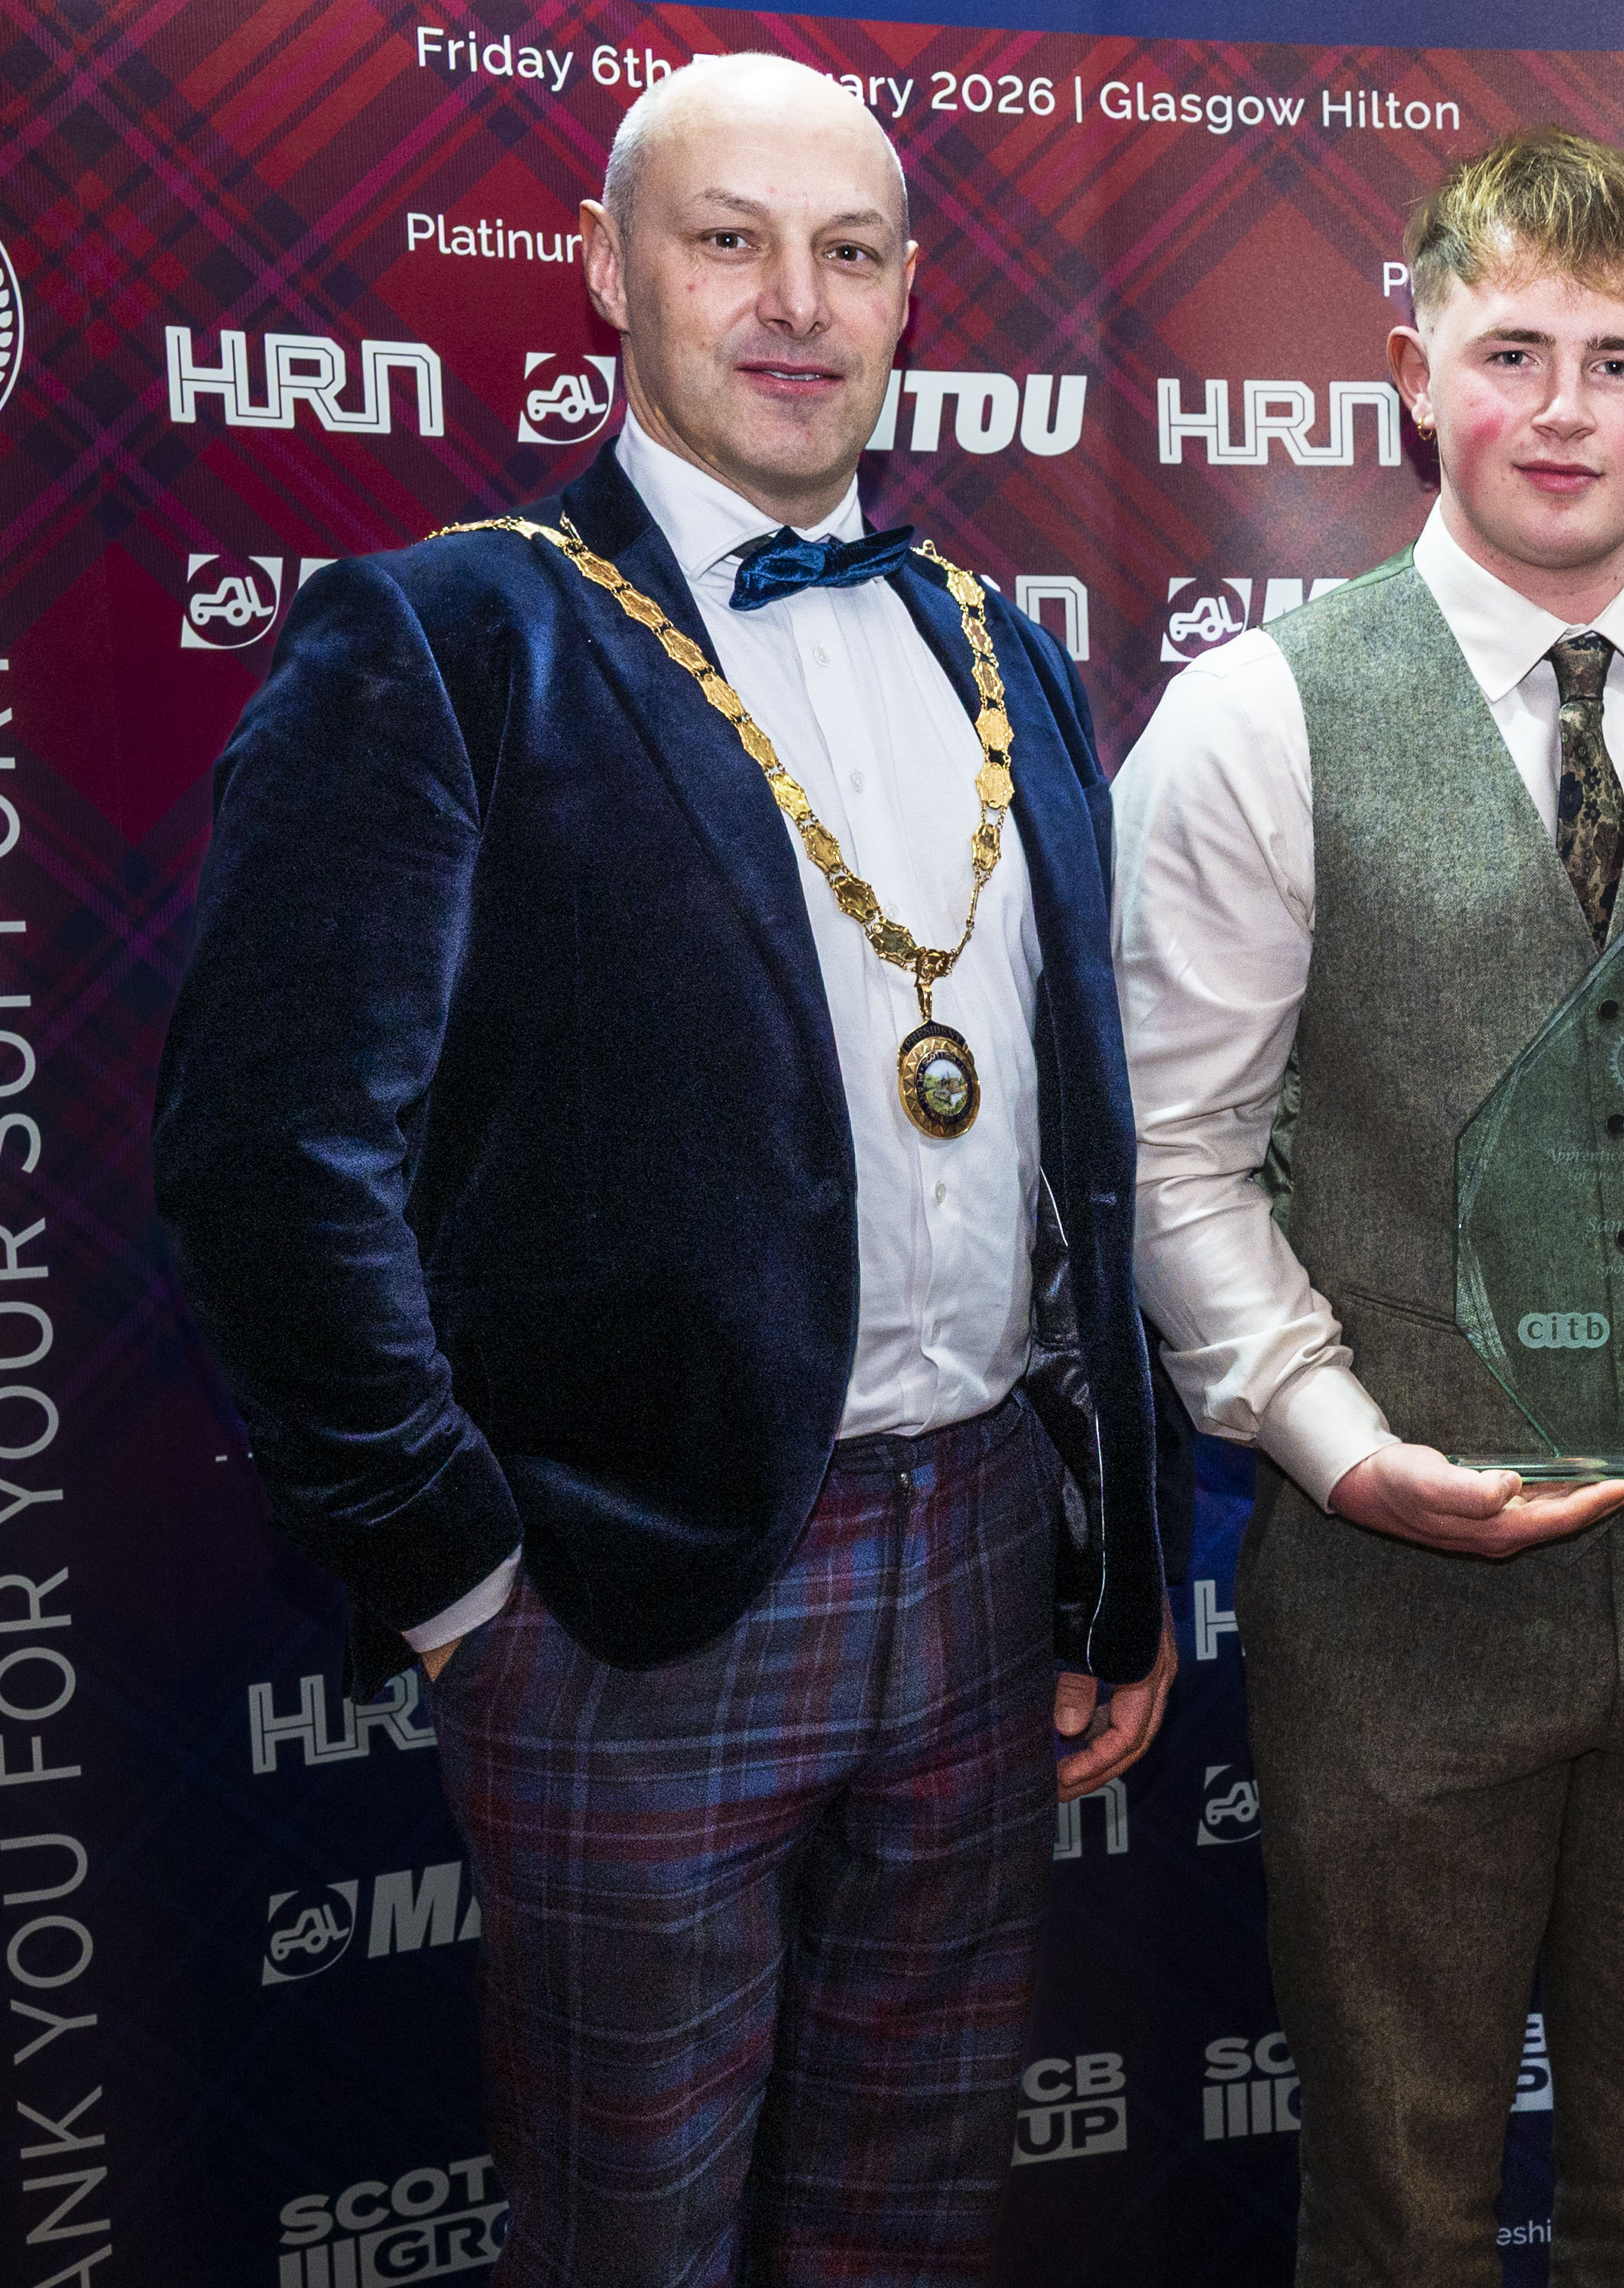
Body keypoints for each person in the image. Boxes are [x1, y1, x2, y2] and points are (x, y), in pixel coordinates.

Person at [152, 54, 1182, 2283]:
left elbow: (1084, 1147)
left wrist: (1109, 1566)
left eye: (848, 251)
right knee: (633, 2237)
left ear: (908, 293)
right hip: (629, 1602)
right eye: (730, 241)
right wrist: (464, 1587)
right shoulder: (449, 631)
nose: (794, 299)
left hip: (986, 1553)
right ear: (615, 276)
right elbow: (270, 1159)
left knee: (910, 2219)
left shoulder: (1006, 650)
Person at [1112, 128, 1624, 2284]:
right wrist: (1339, 1451)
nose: (1562, 411)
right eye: (1510, 354)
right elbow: (1180, 1158)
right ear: (1414, 377)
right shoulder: (1254, 720)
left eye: (1617, 360)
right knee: (1394, 2215)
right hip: (1396, 1591)